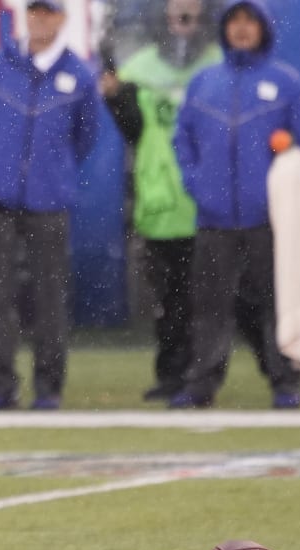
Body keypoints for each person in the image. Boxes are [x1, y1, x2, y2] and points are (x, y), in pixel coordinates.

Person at [169, 0, 300, 409]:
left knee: (273, 303)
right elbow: (182, 140)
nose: (241, 29)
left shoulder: (285, 82)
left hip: (266, 220)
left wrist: (286, 155)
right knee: (209, 307)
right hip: (214, 219)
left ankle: (285, 382)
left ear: (263, 28)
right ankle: (202, 385)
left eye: (249, 22)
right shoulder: (204, 83)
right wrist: (197, 183)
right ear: (224, 29)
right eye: (234, 21)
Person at [0, 0, 98, 411]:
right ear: (25, 16)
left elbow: (85, 137)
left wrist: (51, 172)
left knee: (50, 297)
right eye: (35, 12)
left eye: (49, 13)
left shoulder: (79, 74)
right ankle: (1, 386)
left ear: (62, 19)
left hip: (48, 200)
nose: (40, 20)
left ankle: (48, 387)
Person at [101, 0, 221, 402]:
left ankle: (201, 374)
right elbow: (135, 132)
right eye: (174, 11)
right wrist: (116, 100)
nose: (181, 20)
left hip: (202, 201)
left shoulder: (216, 67)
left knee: (202, 298)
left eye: (189, 11)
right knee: (167, 300)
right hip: (159, 201)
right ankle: (171, 374)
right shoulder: (141, 70)